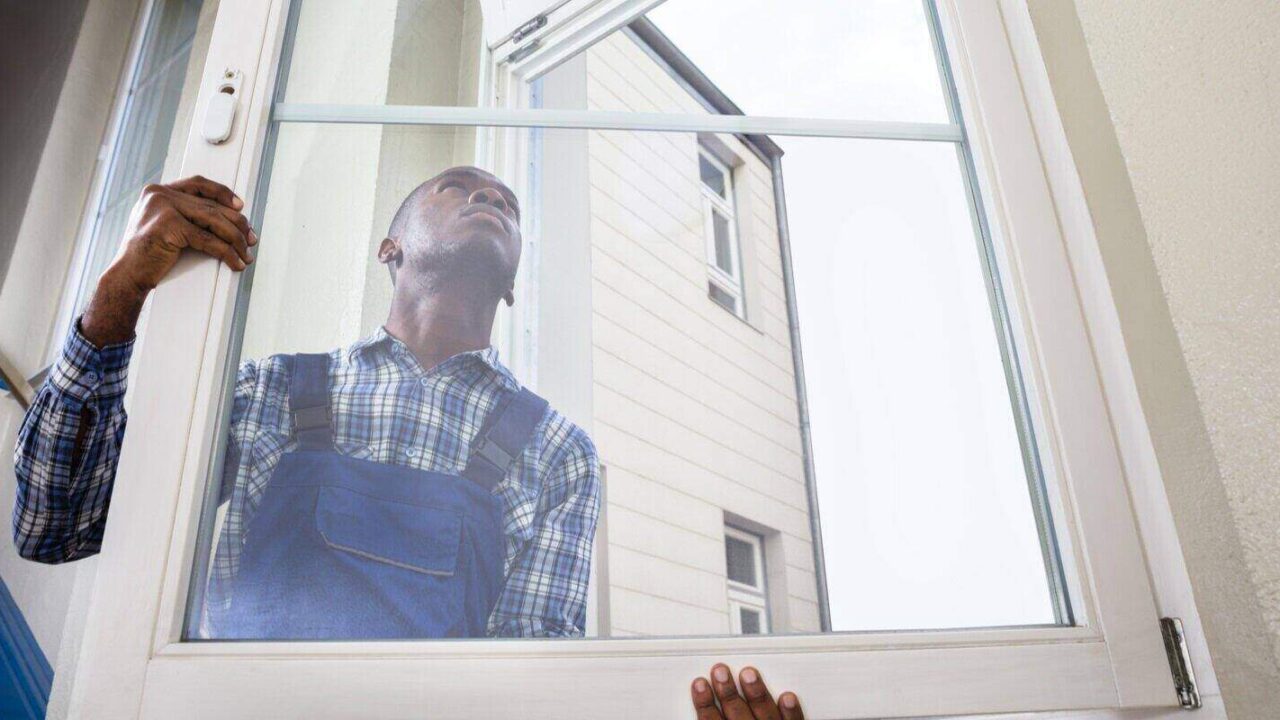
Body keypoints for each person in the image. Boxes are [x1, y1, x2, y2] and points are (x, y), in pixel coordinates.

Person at [14, 169, 599, 639]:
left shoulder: (556, 453)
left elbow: (529, 682)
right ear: (389, 248)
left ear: (514, 283)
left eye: (506, 204)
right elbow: (57, 526)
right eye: (457, 186)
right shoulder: (266, 392)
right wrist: (121, 290)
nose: (487, 196)